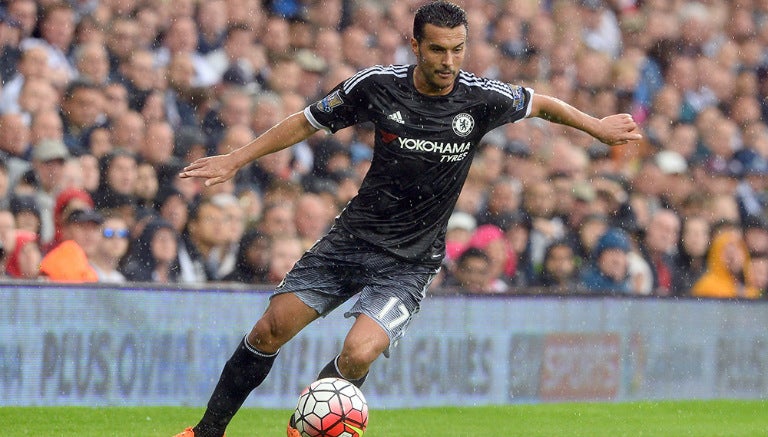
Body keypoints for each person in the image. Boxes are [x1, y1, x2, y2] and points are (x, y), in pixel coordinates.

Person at [174, 2, 641, 436]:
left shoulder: (479, 98)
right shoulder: (377, 86)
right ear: (415, 45)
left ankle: (311, 424)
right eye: (437, 49)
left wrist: (597, 127)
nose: (448, 60)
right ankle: (206, 431)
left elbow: (540, 102)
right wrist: (237, 158)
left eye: (458, 49)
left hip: (409, 262)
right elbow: (307, 120)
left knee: (358, 353)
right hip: (350, 241)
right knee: (269, 329)